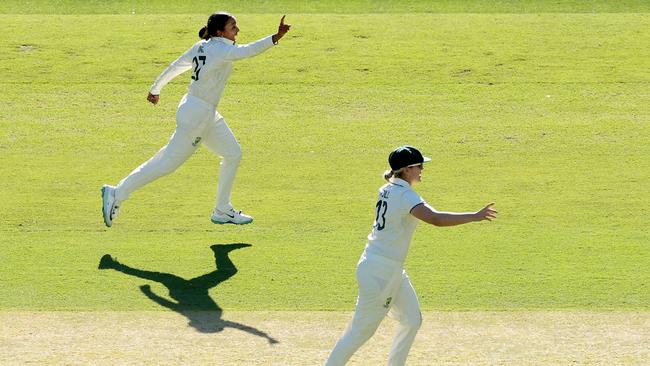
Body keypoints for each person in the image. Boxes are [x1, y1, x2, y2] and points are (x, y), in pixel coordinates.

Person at [101, 12, 291, 227]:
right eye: (232, 27)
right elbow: (247, 51)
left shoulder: (202, 46)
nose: (237, 30)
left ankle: (222, 210)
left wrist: (156, 89)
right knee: (166, 164)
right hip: (198, 117)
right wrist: (276, 37)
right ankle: (117, 193)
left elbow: (176, 66)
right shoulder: (222, 49)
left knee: (233, 153)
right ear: (220, 32)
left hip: (199, 111)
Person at [324, 146, 497, 366]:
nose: (422, 169)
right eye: (419, 166)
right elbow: (435, 219)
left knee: (412, 320)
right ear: (406, 170)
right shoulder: (405, 195)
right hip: (380, 272)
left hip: (388, 268)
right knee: (359, 332)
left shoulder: (387, 188)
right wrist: (475, 216)